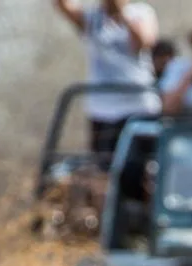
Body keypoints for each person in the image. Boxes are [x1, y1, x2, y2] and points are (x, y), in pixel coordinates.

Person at [53, 0, 160, 160]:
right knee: (103, 165)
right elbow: (64, 7)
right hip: (102, 109)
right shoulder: (92, 16)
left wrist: (121, 13)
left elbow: (144, 42)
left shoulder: (141, 12)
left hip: (138, 106)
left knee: (139, 165)